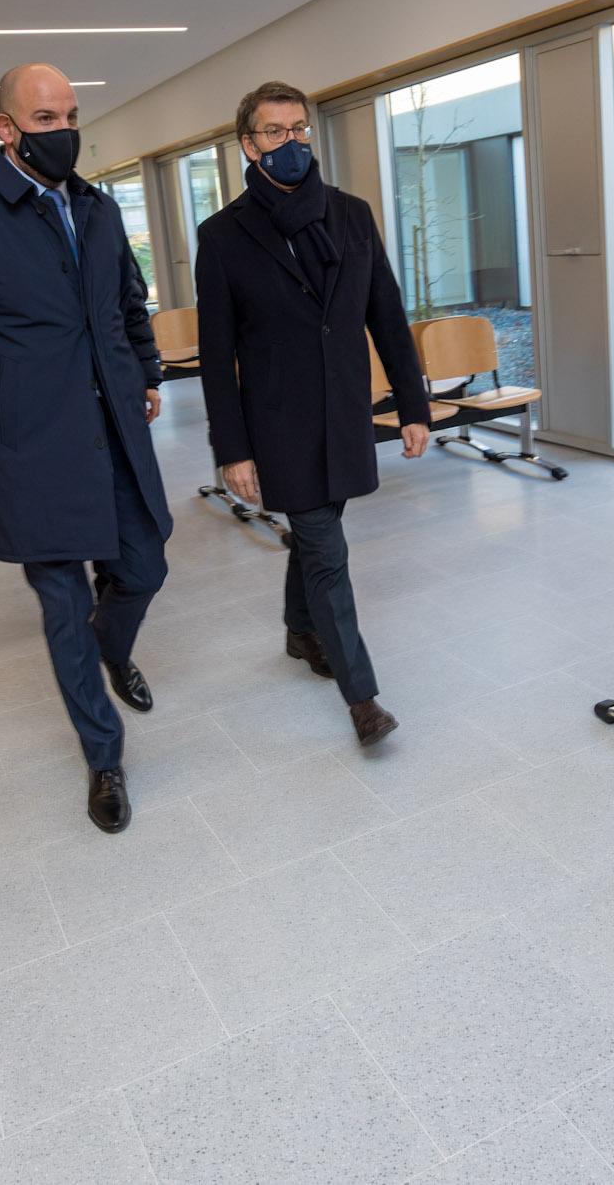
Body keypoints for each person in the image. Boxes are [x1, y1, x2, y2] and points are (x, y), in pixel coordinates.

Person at [0, 64, 169, 834]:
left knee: (144, 566)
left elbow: (126, 302)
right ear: (5, 128)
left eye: (72, 115)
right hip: (30, 453)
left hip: (113, 431)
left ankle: (111, 648)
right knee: (63, 604)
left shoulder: (99, 208)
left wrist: (143, 370)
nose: (63, 132)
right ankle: (103, 756)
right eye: (45, 118)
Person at [195, 80, 431, 747]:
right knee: (328, 549)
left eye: (299, 128)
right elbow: (217, 356)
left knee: (319, 532)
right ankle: (361, 697)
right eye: (275, 132)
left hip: (345, 409)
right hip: (278, 421)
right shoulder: (223, 236)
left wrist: (412, 406)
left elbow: (385, 313)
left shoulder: (352, 215)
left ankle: (301, 631)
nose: (291, 142)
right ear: (248, 144)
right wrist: (231, 448)